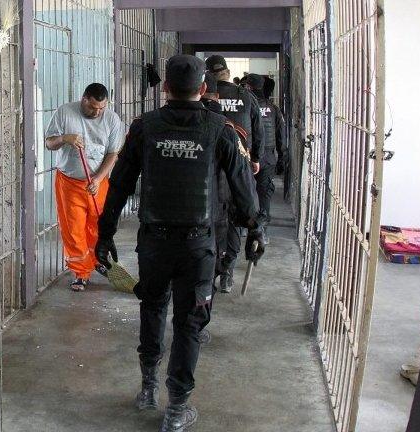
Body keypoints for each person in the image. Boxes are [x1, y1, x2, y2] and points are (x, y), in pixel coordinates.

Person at [95, 55, 264, 432]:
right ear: (204, 89)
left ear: (165, 87)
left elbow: (119, 184)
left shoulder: (144, 127)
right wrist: (255, 228)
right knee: (189, 324)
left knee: (152, 308)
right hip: (197, 246)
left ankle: (147, 388)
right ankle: (176, 409)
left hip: (154, 243)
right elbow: (242, 188)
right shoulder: (219, 128)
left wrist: (104, 235)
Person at [45, 83, 124, 291]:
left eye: (101, 108)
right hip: (69, 183)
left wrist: (98, 179)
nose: (97, 112)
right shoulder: (65, 112)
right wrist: (64, 138)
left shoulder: (112, 120)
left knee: (98, 225)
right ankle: (81, 272)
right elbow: (49, 143)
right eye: (92, 107)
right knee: (73, 229)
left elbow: (112, 154)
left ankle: (97, 261)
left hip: (98, 183)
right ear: (84, 99)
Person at [205, 55, 264, 293]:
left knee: (213, 218)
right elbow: (258, 131)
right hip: (240, 166)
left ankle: (211, 270)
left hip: (210, 169)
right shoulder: (246, 97)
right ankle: (227, 271)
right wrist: (256, 159)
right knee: (235, 218)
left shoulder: (205, 96)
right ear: (228, 72)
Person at [246, 73, 287, 243]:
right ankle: (262, 230)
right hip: (268, 157)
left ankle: (244, 226)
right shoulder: (274, 108)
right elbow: (281, 137)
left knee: (244, 190)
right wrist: (282, 159)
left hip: (248, 156)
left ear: (248, 87)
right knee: (264, 193)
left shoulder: (246, 106)